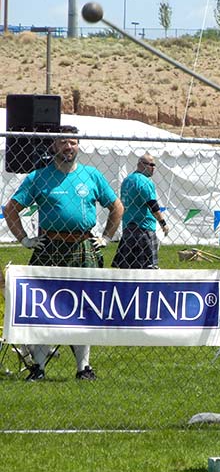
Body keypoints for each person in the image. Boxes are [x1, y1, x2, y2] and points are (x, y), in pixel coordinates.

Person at [4, 125, 124, 381]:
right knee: (43, 308)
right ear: (53, 146)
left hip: (83, 247)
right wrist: (24, 239)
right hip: (48, 247)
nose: (69, 147)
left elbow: (116, 206)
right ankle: (38, 368)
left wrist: (105, 237)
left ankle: (84, 368)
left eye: (73, 142)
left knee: (84, 308)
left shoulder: (91, 175)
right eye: (63, 143)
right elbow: (11, 209)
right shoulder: (38, 177)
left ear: (78, 146)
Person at [112, 154, 169, 269]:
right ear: (141, 165)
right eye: (151, 164)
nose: (153, 167)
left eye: (154, 165)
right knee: (147, 268)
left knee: (126, 268)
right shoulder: (145, 181)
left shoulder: (127, 181)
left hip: (128, 228)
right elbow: (152, 205)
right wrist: (163, 223)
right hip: (144, 229)